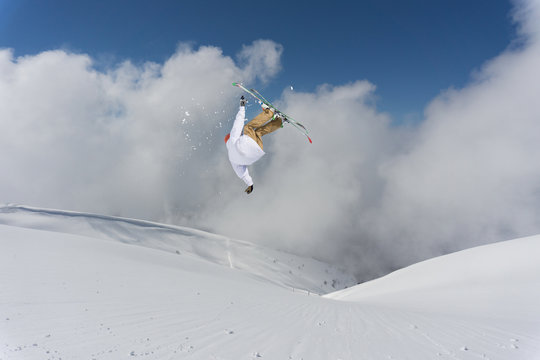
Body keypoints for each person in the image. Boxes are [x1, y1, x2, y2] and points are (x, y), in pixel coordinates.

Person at [225, 96, 283, 194]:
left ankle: (279, 121)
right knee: (248, 127)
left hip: (258, 151)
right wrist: (242, 106)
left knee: (258, 132)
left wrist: (250, 184)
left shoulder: (232, 159)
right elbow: (238, 123)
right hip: (249, 144)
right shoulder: (233, 139)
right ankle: (270, 112)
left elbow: (242, 174)